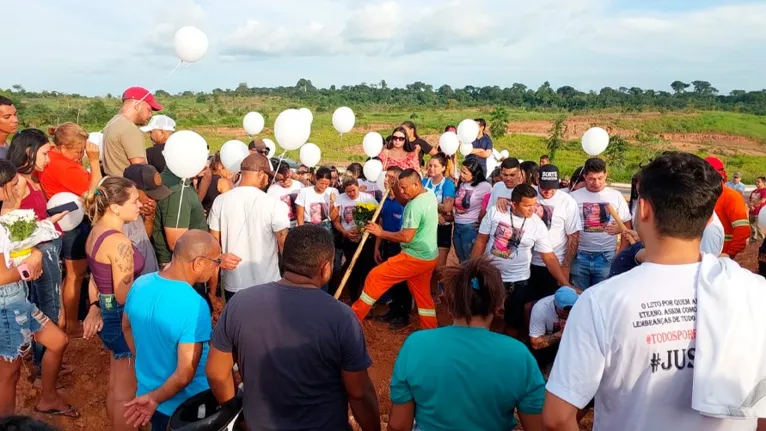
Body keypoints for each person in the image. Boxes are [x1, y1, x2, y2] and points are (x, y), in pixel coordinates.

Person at [543, 152, 762, 431]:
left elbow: (557, 418)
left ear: (643, 209)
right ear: (709, 219)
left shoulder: (601, 302)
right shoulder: (754, 292)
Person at [206, 225, 381, 431]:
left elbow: (217, 373)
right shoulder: (341, 317)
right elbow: (359, 393)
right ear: (325, 268)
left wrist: (234, 413)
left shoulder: (240, 304)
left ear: (284, 258)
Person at [388, 256, 545, 431]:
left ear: (448, 302)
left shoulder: (415, 345)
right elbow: (537, 427)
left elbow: (398, 425)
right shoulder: (519, 355)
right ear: (499, 306)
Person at [0, 161, 77, 418]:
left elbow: (15, 246)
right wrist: (29, 265)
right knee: (9, 373)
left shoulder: (4, 218)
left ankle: (48, 398)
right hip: (6, 305)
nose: (18, 188)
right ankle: (8, 421)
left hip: (16, 301)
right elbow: (1, 274)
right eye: (13, 184)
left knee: (58, 341)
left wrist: (35, 244)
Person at [122, 230, 221, 431]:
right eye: (216, 261)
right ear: (199, 263)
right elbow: (185, 374)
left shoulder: (140, 283)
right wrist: (155, 399)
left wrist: (147, 358)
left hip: (148, 394)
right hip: (186, 407)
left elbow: (125, 326)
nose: (217, 267)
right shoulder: (195, 304)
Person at [81, 177, 144, 431]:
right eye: (135, 201)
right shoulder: (118, 242)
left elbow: (95, 279)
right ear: (116, 208)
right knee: (126, 392)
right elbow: (123, 295)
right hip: (121, 318)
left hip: (108, 315)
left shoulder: (96, 230)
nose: (140, 205)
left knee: (116, 381)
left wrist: (95, 306)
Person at [7, 129, 67, 384]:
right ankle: (45, 369)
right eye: (44, 153)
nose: (48, 159)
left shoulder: (30, 179)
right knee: (48, 306)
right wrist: (45, 229)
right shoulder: (18, 182)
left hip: (43, 249)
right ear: (29, 152)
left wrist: (47, 223)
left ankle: (43, 363)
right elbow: (11, 228)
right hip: (38, 253)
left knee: (45, 304)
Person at [473, 184, 571, 338]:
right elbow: (481, 241)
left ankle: (508, 352)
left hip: (518, 281)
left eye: (534, 204)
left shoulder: (537, 225)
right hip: (491, 276)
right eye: (527, 206)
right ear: (514, 204)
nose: (532, 209)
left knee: (514, 321)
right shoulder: (496, 212)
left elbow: (549, 257)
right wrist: (473, 269)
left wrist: (565, 283)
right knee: (487, 315)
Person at [351, 169, 439, 329]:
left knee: (375, 276)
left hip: (414, 257)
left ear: (416, 184)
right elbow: (404, 200)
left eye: (404, 188)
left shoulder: (415, 205)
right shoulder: (428, 194)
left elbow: (406, 237)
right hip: (429, 257)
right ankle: (430, 328)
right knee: (423, 297)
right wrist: (395, 189)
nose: (402, 191)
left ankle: (353, 320)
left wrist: (380, 232)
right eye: (400, 188)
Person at [39, 123, 102, 335]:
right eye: (78, 152)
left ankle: (66, 318)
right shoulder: (64, 167)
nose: (80, 155)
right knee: (75, 275)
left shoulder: (52, 159)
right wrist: (94, 163)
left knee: (69, 276)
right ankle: (72, 322)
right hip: (73, 224)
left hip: (62, 221)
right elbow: (93, 193)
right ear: (64, 147)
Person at [208, 154, 286, 304]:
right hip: (268, 282)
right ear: (261, 174)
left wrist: (213, 292)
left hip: (234, 284)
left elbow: (213, 247)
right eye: (268, 176)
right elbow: (284, 245)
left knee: (239, 326)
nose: (268, 180)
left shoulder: (220, 201)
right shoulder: (273, 204)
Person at [569, 158, 631, 290]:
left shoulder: (616, 196)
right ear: (584, 176)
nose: (596, 183)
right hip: (579, 256)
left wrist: (620, 254)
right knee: (578, 298)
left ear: (606, 174)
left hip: (606, 256)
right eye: (591, 179)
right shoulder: (573, 197)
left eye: (600, 178)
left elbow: (627, 226)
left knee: (601, 297)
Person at [530, 165, 581, 299]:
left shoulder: (567, 201)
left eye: (552, 187)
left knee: (551, 303)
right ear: (537, 180)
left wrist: (565, 267)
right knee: (526, 305)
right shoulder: (528, 193)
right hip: (527, 261)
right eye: (543, 186)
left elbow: (573, 237)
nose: (547, 191)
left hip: (554, 263)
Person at [373, 166, 412, 329]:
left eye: (390, 177)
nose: (386, 179)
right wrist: (377, 247)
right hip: (386, 243)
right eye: (385, 176)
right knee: (390, 279)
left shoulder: (404, 201)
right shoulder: (385, 198)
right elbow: (381, 224)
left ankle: (404, 314)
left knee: (401, 281)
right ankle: (393, 310)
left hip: (400, 245)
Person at [152, 161, 208, 268]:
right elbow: (176, 243)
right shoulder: (179, 190)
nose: (205, 165)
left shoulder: (173, 181)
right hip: (181, 265)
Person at [332, 176, 378, 301]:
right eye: (348, 192)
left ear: (358, 187)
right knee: (353, 268)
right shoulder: (340, 199)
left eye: (354, 190)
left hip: (366, 240)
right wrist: (345, 232)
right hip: (349, 240)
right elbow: (335, 221)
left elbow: (378, 216)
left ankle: (367, 299)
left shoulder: (368, 198)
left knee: (367, 268)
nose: (351, 194)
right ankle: (354, 298)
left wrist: (366, 228)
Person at [102, 87, 162, 176]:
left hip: (112, 183)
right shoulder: (130, 129)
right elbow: (140, 169)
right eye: (149, 110)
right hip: (127, 186)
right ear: (138, 105)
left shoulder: (112, 122)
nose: (150, 115)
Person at [122, 164, 168, 276]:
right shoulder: (122, 218)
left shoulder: (141, 209)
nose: (153, 200)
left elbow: (143, 238)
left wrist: (149, 218)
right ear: (132, 189)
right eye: (149, 195)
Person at [422, 153, 456, 301]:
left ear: (443, 168)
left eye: (435, 166)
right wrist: (435, 213)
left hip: (443, 228)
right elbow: (417, 202)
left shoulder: (447, 184)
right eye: (430, 165)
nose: (432, 168)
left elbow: (448, 207)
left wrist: (430, 206)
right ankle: (432, 292)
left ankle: (449, 292)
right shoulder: (424, 182)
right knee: (427, 264)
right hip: (427, 228)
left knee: (439, 266)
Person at [705, 157, 749, 258]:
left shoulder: (731, 196)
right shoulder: (702, 196)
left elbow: (742, 229)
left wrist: (729, 254)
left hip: (721, 254)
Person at [528, 287, 579, 370]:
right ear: (555, 304)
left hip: (574, 342)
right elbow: (535, 344)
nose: (567, 314)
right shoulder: (541, 308)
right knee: (534, 358)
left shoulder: (584, 305)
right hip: (551, 343)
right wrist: (560, 335)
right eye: (563, 314)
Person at [453, 159, 492, 262]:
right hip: (457, 226)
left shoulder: (485, 186)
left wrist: (484, 222)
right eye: (461, 171)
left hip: (470, 227)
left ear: (474, 174)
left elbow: (491, 204)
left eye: (464, 173)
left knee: (471, 261)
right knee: (461, 259)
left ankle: (472, 278)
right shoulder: (461, 184)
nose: (461, 174)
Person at [295, 166, 339, 231]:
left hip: (326, 226)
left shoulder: (333, 191)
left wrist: (332, 202)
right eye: (321, 183)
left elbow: (333, 218)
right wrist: (302, 231)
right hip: (308, 225)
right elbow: (300, 216)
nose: (324, 186)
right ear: (316, 179)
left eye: (327, 184)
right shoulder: (304, 192)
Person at [267, 162, 305, 228]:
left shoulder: (300, 186)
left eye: (287, 177)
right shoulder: (272, 190)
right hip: (282, 227)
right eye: (281, 179)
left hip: (298, 225)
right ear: (276, 176)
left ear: (290, 173)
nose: (285, 181)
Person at [749, 176, 766, 242]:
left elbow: (763, 200)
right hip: (752, 211)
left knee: (760, 228)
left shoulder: (764, 191)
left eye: (758, 181)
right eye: (756, 181)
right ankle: (754, 239)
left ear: (764, 182)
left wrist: (752, 204)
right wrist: (750, 205)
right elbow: (749, 200)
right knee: (752, 227)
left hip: (760, 212)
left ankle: (761, 242)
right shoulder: (754, 191)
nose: (756, 183)